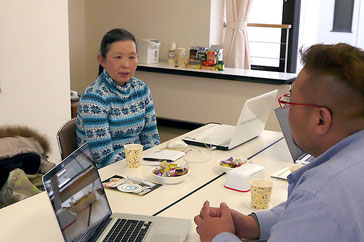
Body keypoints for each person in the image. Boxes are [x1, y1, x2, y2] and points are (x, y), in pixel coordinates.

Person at [194, 43, 364, 241]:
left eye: (291, 102)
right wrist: (253, 224)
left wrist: (217, 237)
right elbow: (305, 215)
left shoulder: (320, 194)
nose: (287, 110)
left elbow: (315, 206)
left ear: (320, 120)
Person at [76, 28, 160, 169]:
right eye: (118, 57)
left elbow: (152, 138)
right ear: (102, 60)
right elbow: (104, 158)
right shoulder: (94, 98)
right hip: (105, 175)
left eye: (132, 57)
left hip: (137, 166)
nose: (126, 64)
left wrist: (150, 164)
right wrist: (140, 167)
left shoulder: (141, 89)